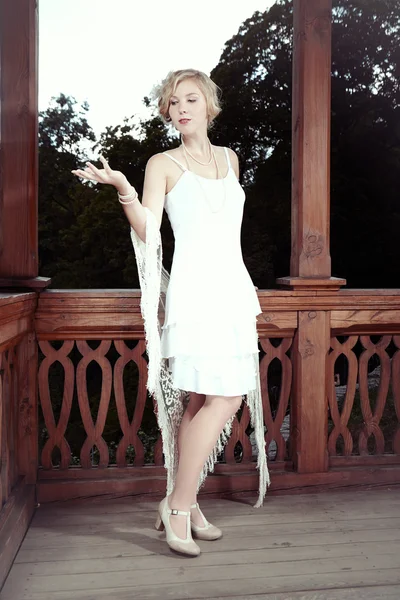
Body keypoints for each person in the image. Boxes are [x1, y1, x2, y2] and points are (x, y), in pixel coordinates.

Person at [72, 68, 269, 558]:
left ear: (209, 105)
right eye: (173, 102)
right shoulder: (162, 163)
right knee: (226, 398)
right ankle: (178, 506)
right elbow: (148, 231)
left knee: (206, 401)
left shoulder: (231, 159)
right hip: (196, 293)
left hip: (233, 291)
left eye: (191, 99)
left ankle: (187, 502)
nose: (181, 108)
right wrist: (123, 188)